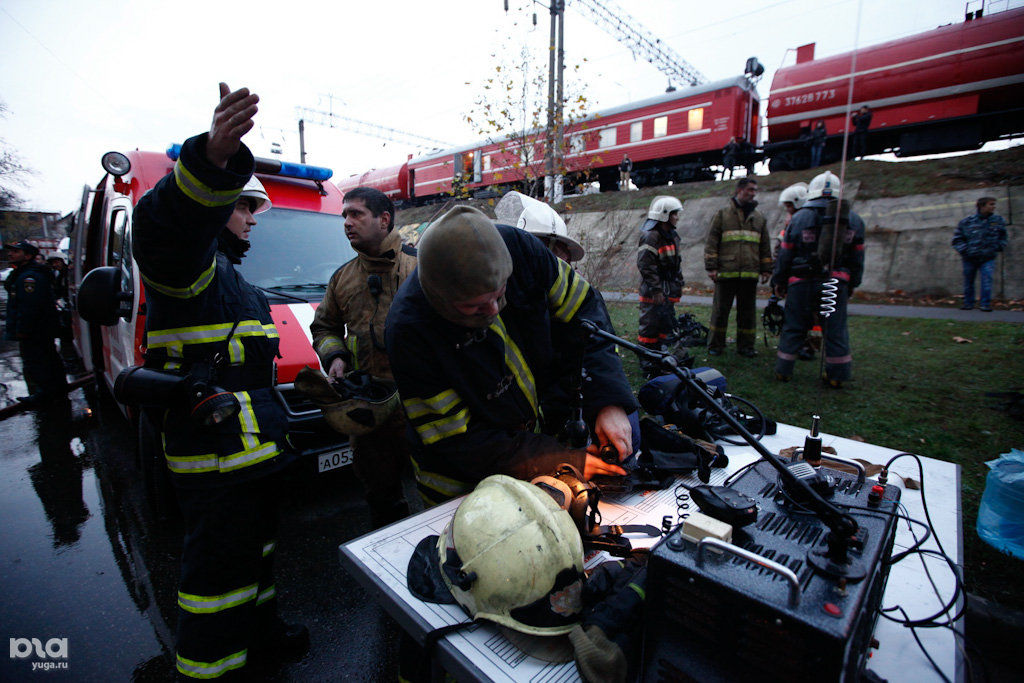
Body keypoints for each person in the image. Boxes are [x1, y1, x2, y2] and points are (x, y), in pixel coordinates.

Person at [132, 83, 307, 679]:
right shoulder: (187, 271)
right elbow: (163, 227)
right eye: (244, 206)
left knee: (254, 563)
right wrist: (210, 161)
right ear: (213, 209)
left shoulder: (240, 286)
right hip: (216, 471)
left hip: (252, 465)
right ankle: (210, 670)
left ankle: (263, 636)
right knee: (214, 586)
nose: (254, 217)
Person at [385, 206, 636, 505]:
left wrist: (607, 401)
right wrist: (559, 459)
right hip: (459, 485)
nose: (494, 310)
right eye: (476, 306)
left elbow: (585, 318)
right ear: (441, 299)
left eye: (500, 292)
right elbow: (458, 442)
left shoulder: (523, 251)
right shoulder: (409, 331)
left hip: (529, 451)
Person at [310, 186, 416, 528]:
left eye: (356, 214)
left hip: (422, 409)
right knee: (382, 501)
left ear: (384, 220)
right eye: (344, 215)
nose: (347, 222)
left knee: (437, 495)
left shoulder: (421, 268)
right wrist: (335, 358)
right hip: (368, 414)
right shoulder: (342, 279)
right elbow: (324, 327)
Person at [772, 171, 865, 387]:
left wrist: (779, 281)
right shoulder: (854, 220)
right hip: (835, 283)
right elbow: (857, 257)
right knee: (835, 329)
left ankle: (783, 371)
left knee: (794, 325)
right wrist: (852, 283)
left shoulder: (799, 218)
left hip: (801, 283)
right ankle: (836, 376)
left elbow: (786, 254)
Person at [704, 178, 771, 357]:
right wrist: (711, 267)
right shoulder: (722, 214)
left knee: (748, 314)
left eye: (755, 190)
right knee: (720, 312)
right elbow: (712, 242)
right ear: (739, 190)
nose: (753, 193)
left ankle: (746, 347)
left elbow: (765, 245)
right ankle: (715, 346)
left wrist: (766, 268)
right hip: (725, 273)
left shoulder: (759, 218)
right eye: (750, 189)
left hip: (750, 274)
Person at [3, 240, 67, 407]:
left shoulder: (29, 278)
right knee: (48, 360)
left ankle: (47, 395)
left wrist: (22, 329)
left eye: (16, 251)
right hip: (40, 330)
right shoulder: (24, 274)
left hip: (35, 331)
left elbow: (29, 307)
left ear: (28, 255)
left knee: (39, 362)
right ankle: (55, 392)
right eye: (10, 251)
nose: (11, 254)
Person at [636, 196, 684, 376]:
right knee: (649, 327)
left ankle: (659, 356)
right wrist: (656, 289)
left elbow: (676, 263)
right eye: (674, 214)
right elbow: (645, 266)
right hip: (653, 291)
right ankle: (647, 361)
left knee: (664, 325)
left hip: (667, 289)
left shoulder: (672, 235)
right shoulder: (651, 236)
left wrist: (677, 285)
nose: (677, 218)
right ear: (665, 215)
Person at [776, 184, 819, 360]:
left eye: (789, 206)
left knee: (808, 316)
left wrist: (779, 278)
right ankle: (800, 346)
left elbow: (785, 251)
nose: (787, 210)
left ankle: (805, 346)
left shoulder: (802, 220)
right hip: (798, 277)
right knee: (798, 316)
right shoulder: (798, 220)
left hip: (802, 278)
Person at [952, 197, 1007, 312]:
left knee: (987, 280)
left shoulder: (998, 220)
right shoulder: (967, 222)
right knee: (969, 282)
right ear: (982, 206)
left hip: (988, 257)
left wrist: (997, 247)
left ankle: (985, 304)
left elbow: (1003, 237)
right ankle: (968, 303)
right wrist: (965, 251)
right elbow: (957, 239)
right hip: (970, 257)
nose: (993, 207)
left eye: (994, 204)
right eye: (991, 204)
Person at [47, 256, 75, 362]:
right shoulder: (57, 274)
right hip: (63, 306)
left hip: (67, 306)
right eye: (53, 263)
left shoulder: (68, 273)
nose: (55, 265)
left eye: (57, 262)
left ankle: (70, 358)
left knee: (67, 334)